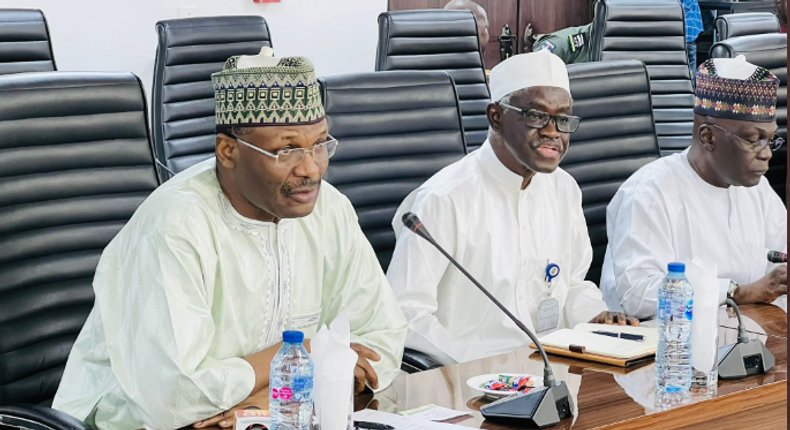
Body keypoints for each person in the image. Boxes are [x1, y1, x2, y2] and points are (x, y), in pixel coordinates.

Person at [51, 53, 407, 430]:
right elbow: (175, 397)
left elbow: (380, 336)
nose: (310, 168)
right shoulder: (176, 226)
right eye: (286, 150)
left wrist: (269, 396)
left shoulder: (330, 210)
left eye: (320, 145)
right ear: (228, 151)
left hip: (268, 418)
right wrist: (302, 354)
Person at [387, 51, 638, 366]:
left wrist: (596, 317)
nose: (552, 131)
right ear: (496, 117)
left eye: (563, 119)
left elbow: (571, 283)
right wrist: (475, 364)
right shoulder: (444, 199)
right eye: (536, 116)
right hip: (470, 386)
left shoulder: (564, 189)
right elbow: (407, 314)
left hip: (554, 371)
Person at [601, 56, 787, 319]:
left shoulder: (758, 190)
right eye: (754, 140)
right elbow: (637, 295)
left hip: (745, 341)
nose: (767, 154)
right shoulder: (650, 192)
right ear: (708, 137)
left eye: (770, 140)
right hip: (663, 349)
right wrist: (738, 292)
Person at [682, 0, 704, 75]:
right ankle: (691, 86)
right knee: (690, 67)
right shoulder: (691, 1)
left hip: (673, 35)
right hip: (690, 34)